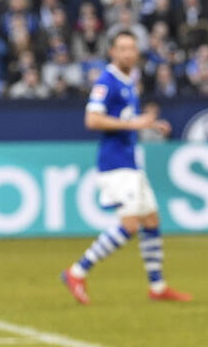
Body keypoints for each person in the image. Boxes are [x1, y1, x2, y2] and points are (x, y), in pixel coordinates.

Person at [60, 30, 191, 305]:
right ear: (113, 52)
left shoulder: (129, 80)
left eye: (132, 48)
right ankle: (76, 271)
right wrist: (134, 125)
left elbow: (127, 119)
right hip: (115, 164)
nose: (129, 53)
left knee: (151, 219)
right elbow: (93, 120)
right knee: (129, 224)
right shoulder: (106, 81)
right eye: (123, 49)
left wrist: (150, 124)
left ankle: (157, 287)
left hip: (131, 162)